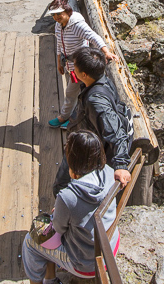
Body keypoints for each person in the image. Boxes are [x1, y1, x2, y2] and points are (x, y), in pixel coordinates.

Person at [17, 130, 119, 284]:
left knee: (32, 241)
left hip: (86, 261)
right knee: (46, 234)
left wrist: (57, 215)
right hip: (110, 245)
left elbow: (58, 229)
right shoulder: (110, 172)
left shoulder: (68, 196)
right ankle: (50, 283)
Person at [53, 47, 132, 196]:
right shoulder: (101, 79)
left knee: (62, 186)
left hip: (84, 149)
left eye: (75, 67)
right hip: (84, 137)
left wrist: (121, 165)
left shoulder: (96, 101)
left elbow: (116, 131)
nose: (73, 68)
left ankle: (60, 213)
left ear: (84, 74)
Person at [46, 0, 117, 130]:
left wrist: (106, 52)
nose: (56, 17)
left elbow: (93, 36)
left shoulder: (77, 26)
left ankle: (66, 117)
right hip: (70, 66)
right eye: (54, 15)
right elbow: (60, 44)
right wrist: (59, 62)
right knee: (76, 93)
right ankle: (70, 117)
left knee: (73, 93)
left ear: (67, 11)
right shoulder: (59, 25)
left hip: (80, 68)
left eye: (59, 14)